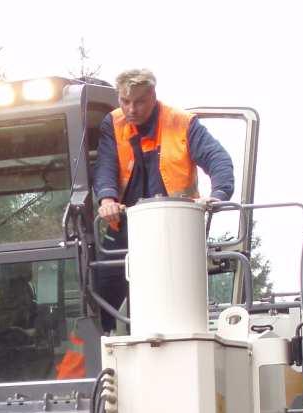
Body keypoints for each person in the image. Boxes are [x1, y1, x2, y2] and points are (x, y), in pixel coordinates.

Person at [93, 68, 235, 327]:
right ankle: (104, 339)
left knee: (176, 293)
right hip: (126, 222)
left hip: (175, 225)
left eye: (139, 102)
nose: (131, 109)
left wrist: (219, 194)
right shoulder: (112, 124)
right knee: (104, 281)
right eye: (125, 102)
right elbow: (105, 167)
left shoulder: (182, 123)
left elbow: (218, 159)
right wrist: (106, 200)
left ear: (153, 96)